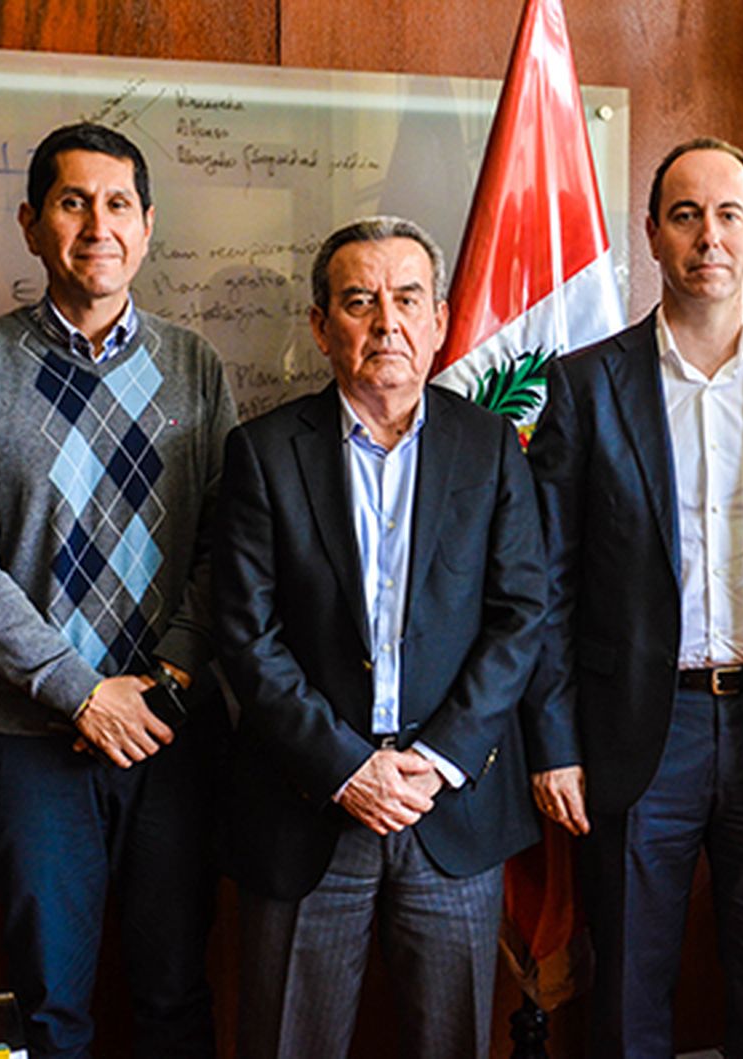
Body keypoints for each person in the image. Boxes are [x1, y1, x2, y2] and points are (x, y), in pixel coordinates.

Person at [524, 137, 743, 1058]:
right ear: (653, 236)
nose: (705, 236)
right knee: (626, 994)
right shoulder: (586, 386)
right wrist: (552, 742)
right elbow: (547, 583)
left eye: (724, 216)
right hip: (639, 732)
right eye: (683, 216)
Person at [0, 122, 234, 1057]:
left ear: (147, 225)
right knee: (52, 1010)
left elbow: (227, 546)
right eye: (72, 201)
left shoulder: (195, 366)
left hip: (169, 736)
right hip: (32, 746)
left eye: (119, 203)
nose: (99, 224)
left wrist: (162, 681)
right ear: (29, 223)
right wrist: (80, 691)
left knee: (176, 996)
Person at [213, 216, 546, 1058]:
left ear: (438, 321)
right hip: (308, 804)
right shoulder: (262, 453)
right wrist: (348, 767)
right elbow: (246, 634)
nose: (386, 323)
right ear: (323, 326)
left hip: (449, 810)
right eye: (360, 301)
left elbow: (520, 615)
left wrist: (434, 760)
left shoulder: (490, 446)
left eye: (406, 299)